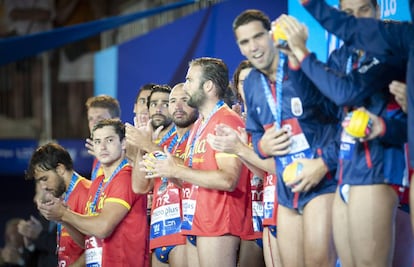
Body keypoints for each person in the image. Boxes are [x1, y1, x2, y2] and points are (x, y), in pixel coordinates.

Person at [285, 1, 411, 266]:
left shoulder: (390, 48)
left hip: (376, 170)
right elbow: (321, 107)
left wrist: (303, 51)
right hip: (347, 169)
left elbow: (347, 92)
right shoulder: (342, 57)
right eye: (348, 15)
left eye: (363, 10)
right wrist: (295, 62)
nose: (355, 21)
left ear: (377, 11)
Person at [232, 9, 340, 267]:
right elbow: (256, 133)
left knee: (318, 262)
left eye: (258, 37)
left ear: (271, 35)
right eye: (245, 42)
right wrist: (262, 145)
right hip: (287, 189)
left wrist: (323, 164)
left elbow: (341, 121)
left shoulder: (301, 67)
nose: (253, 47)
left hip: (322, 181)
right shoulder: (251, 84)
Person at [141, 57, 253, 267]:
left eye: (190, 80)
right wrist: (168, 172)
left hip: (219, 221)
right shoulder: (200, 124)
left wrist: (178, 170)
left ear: (208, 86)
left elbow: (228, 178)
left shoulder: (225, 119)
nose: (186, 86)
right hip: (196, 220)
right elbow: (194, 179)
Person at [38, 119, 149, 267]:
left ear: (123, 143)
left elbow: (103, 228)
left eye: (109, 140)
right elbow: (86, 240)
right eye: (97, 141)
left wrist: (65, 214)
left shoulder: (125, 177)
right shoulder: (98, 182)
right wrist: (62, 217)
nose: (102, 147)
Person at [207, 60, 276, 267]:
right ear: (236, 87)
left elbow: (272, 169)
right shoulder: (231, 120)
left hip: (274, 204)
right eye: (243, 81)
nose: (249, 86)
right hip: (246, 215)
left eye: (254, 79)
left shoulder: (273, 118)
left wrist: (241, 148)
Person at [127, 82, 199, 267]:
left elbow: (193, 176)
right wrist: (143, 147)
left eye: (184, 100)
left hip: (185, 229)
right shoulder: (164, 143)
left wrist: (149, 146)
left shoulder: (198, 136)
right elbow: (140, 186)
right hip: (160, 229)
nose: (177, 106)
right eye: (173, 101)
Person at [24, 142, 91, 266]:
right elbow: (82, 241)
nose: (43, 186)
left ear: (60, 169)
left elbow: (96, 244)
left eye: (45, 179)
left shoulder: (87, 192)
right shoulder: (65, 197)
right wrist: (61, 218)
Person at [84, 95, 121, 181]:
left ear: (116, 121)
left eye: (100, 119)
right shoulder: (97, 150)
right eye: (90, 119)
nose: (94, 124)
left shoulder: (125, 151)